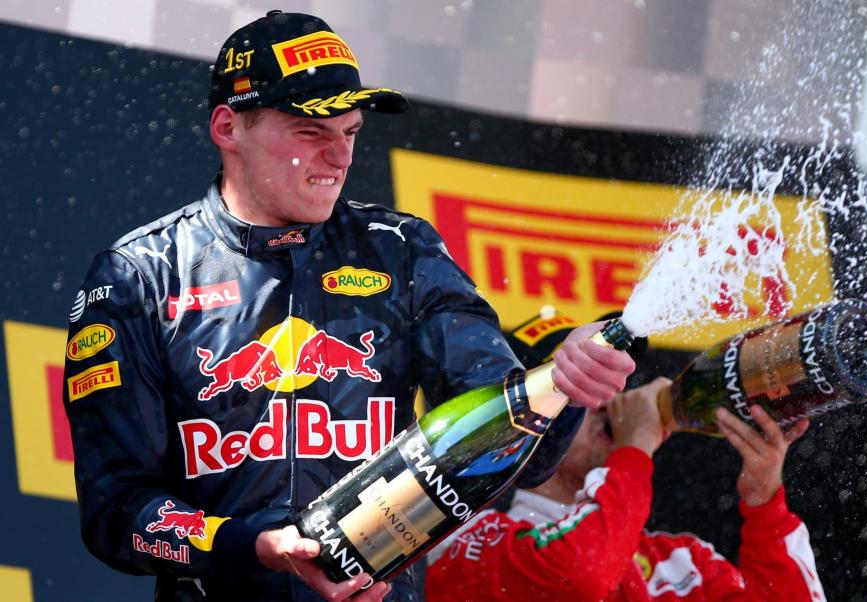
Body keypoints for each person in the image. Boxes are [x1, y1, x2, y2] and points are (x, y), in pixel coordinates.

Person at [61, 11, 635, 602]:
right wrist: (253, 546)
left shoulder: (402, 253)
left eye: (351, 132)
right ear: (228, 127)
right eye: (312, 132)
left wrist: (564, 383)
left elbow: (510, 450)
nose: (340, 157)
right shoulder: (140, 276)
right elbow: (117, 512)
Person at [426, 312, 827, 601]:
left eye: (610, 379)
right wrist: (634, 447)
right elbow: (580, 577)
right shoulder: (461, 541)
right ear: (517, 420)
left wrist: (766, 508)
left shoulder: (681, 565)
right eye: (578, 388)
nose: (606, 401)